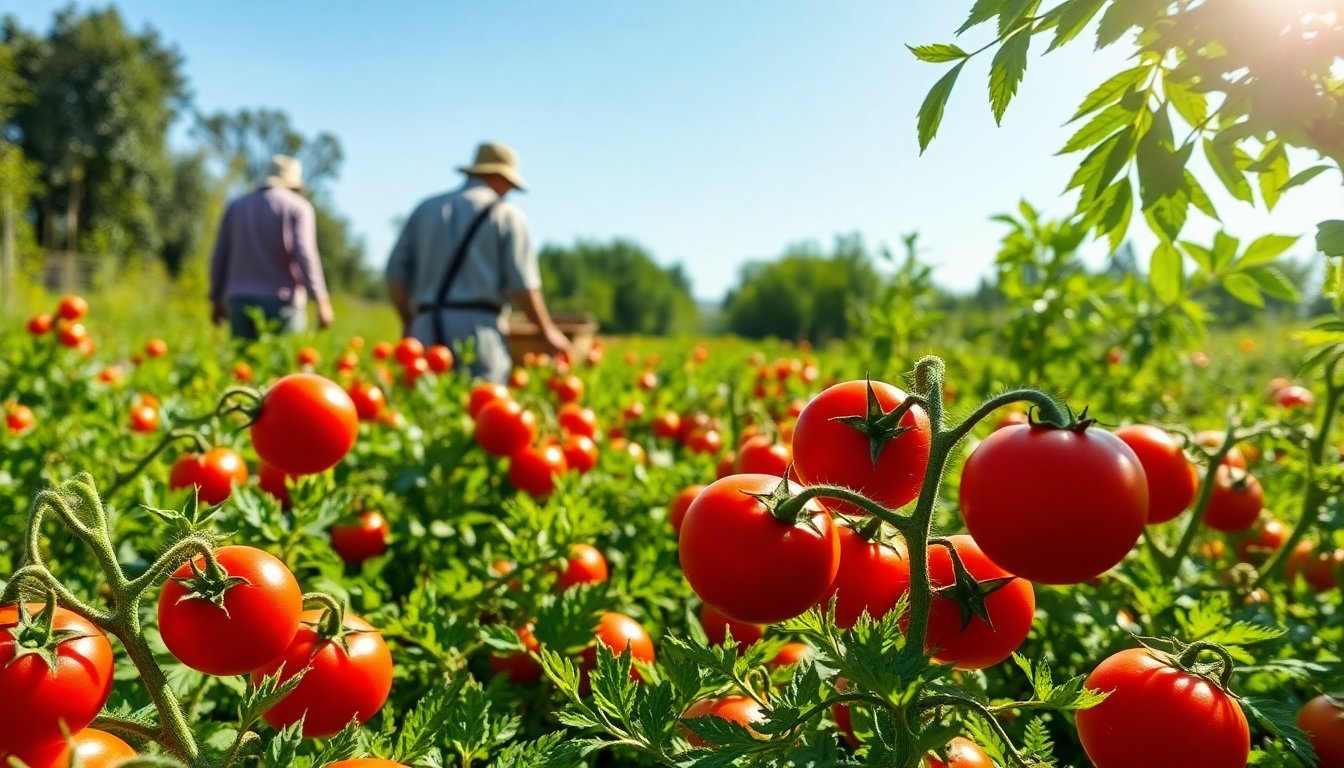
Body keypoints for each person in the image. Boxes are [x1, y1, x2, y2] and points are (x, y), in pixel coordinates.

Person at [386, 141, 569, 383]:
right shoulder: (507, 215)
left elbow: (394, 274)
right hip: (479, 332)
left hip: (425, 327)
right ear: (500, 178)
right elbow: (522, 285)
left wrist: (411, 322)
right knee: (483, 410)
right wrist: (547, 331)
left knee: (421, 411)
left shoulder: (426, 209)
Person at [209, 155, 334, 340]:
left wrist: (216, 299)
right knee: (284, 365)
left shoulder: (236, 206)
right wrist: (321, 300)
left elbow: (220, 255)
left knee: (243, 364)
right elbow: (305, 254)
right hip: (282, 304)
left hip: (239, 301)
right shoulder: (298, 207)